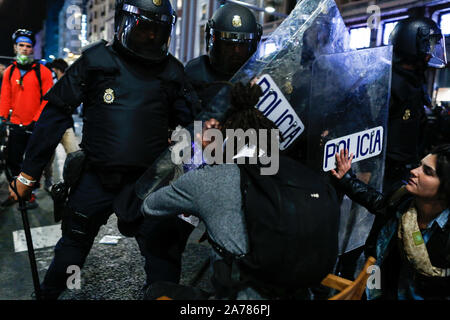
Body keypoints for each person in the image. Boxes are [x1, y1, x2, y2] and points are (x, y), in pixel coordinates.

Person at [9, 0, 197, 299]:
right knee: (71, 252)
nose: (150, 36)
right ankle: (52, 295)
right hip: (96, 177)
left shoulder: (172, 72)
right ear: (124, 24)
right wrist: (29, 174)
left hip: (146, 184)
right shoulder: (95, 61)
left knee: (163, 255)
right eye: (144, 27)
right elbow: (56, 114)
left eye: (157, 31)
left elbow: (193, 125)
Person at [142, 82, 340, 300]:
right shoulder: (296, 172)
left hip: (243, 299)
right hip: (302, 292)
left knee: (156, 292)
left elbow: (150, 206)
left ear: (226, 139)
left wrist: (203, 155)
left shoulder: (209, 179)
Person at [331, 145, 450, 299]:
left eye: (427, 172)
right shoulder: (401, 197)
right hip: (375, 286)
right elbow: (380, 204)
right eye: (419, 165)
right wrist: (347, 180)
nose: (414, 171)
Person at [384, 17, 447, 195]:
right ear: (411, 44)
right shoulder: (389, 83)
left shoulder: (415, 82)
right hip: (384, 175)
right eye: (429, 45)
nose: (432, 51)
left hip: (407, 172)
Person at [0, 29, 53, 209]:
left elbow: (47, 99)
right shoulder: (9, 72)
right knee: (13, 162)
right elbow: (5, 97)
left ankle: (29, 196)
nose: (24, 49)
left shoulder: (43, 72)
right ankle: (15, 192)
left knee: (32, 163)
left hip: (35, 126)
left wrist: (36, 120)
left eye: (28, 46)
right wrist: (2, 117)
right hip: (15, 125)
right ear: (15, 47)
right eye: (21, 45)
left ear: (32, 50)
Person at [185, 2, 262, 111]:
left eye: (243, 45)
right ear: (213, 42)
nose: (236, 51)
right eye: (229, 45)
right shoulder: (196, 72)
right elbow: (185, 120)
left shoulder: (259, 76)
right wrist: (202, 126)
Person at [42, 58, 79, 191]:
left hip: (65, 124)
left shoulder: (69, 82)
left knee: (74, 154)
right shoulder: (49, 82)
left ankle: (73, 182)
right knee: (48, 156)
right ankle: (48, 179)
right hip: (50, 125)